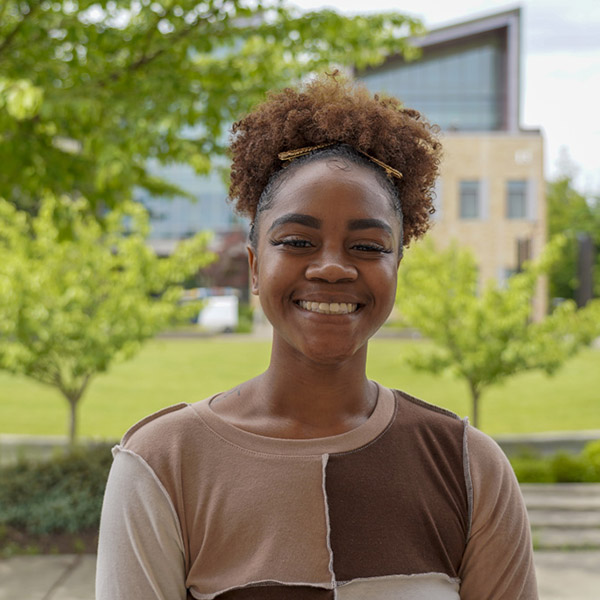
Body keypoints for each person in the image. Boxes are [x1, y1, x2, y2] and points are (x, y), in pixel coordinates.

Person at [96, 75, 538, 600]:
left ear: (397, 268)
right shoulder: (162, 464)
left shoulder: (467, 467)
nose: (332, 268)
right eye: (298, 241)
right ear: (256, 268)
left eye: (368, 247)